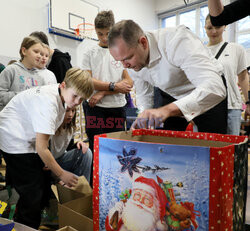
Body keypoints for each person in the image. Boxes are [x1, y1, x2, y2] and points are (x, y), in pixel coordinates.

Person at [0, 68, 94, 229]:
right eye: (75, 96)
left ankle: (36, 220)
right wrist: (61, 173)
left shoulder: (62, 96)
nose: (77, 102)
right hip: (15, 141)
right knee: (32, 194)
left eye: (82, 99)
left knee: (41, 185)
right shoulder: (49, 102)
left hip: (27, 141)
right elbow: (41, 147)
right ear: (63, 85)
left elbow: (44, 141)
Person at [108, 20, 227, 134]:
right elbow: (144, 94)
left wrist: (167, 110)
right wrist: (143, 117)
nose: (125, 66)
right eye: (120, 61)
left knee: (213, 146)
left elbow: (214, 88)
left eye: (127, 58)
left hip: (207, 91)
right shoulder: (131, 62)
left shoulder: (178, 40)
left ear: (143, 42)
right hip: (169, 92)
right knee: (162, 141)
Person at [81, 11, 133, 153]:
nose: (104, 38)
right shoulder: (89, 52)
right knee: (96, 148)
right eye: (100, 34)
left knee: (116, 149)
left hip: (116, 108)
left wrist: (104, 92)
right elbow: (88, 81)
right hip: (95, 107)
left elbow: (129, 82)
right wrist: (114, 86)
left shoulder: (121, 50)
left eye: (107, 33)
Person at [205, 15, 250, 135]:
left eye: (218, 26)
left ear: (225, 26)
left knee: (231, 149)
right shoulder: (200, 51)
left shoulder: (236, 49)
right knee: (205, 149)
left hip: (231, 106)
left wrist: (248, 103)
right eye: (210, 28)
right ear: (205, 28)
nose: (214, 31)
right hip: (205, 108)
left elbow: (243, 78)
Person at [105, 176, 172, 231]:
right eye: (137, 195)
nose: (140, 201)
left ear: (155, 208)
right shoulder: (125, 218)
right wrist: (115, 212)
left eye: (147, 199)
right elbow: (111, 228)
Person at [0, 36, 46, 111]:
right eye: (36, 51)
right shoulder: (11, 70)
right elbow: (1, 94)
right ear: (24, 51)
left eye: (41, 53)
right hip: (11, 118)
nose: (39, 56)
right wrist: (22, 96)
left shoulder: (40, 77)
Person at [50, 107, 92, 183]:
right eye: (67, 111)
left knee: (86, 152)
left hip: (61, 159)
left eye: (73, 111)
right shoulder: (51, 126)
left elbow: (68, 147)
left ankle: (83, 189)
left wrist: (78, 144)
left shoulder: (71, 127)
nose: (70, 115)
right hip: (49, 162)